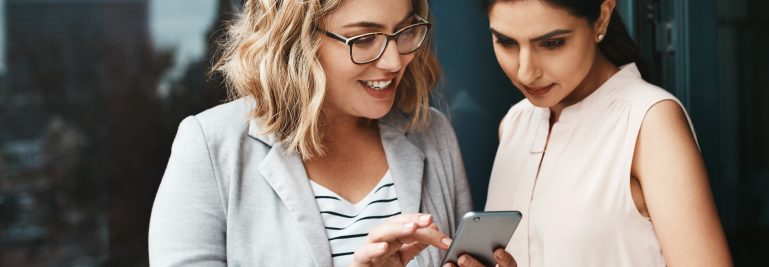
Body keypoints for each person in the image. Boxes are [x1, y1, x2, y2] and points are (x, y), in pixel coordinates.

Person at [148, 0, 473, 266]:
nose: (393, 61)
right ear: (297, 40)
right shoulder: (210, 146)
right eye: (363, 39)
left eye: (403, 31)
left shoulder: (431, 133)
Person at [462, 0, 734, 266]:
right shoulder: (515, 124)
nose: (526, 72)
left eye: (552, 43)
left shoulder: (649, 123)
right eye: (506, 42)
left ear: (602, 17)